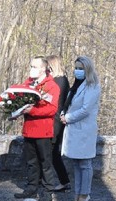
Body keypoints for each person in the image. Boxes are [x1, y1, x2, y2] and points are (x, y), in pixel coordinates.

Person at [13, 55, 60, 201]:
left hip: (43, 130)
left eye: (34, 67)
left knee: (45, 162)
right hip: (29, 129)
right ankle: (31, 188)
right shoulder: (28, 83)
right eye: (31, 66)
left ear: (43, 69)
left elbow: (51, 110)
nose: (31, 69)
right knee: (31, 162)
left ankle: (47, 191)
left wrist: (31, 111)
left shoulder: (52, 86)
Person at [61, 55, 101, 201]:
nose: (77, 71)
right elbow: (71, 104)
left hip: (84, 129)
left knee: (85, 163)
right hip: (74, 129)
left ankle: (84, 194)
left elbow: (85, 109)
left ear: (87, 69)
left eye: (80, 69)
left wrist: (68, 118)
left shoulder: (93, 85)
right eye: (76, 68)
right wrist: (64, 114)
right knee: (77, 163)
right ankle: (77, 195)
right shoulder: (77, 85)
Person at [46, 54, 71, 192]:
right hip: (57, 120)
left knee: (50, 152)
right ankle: (64, 180)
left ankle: (56, 181)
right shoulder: (63, 80)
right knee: (53, 153)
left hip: (55, 121)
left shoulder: (58, 81)